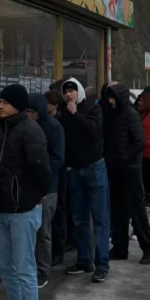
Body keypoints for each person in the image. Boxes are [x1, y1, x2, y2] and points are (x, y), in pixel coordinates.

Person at [0, 84, 51, 300]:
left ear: (16, 105)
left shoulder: (29, 130)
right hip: (1, 208)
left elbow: (42, 171)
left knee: (24, 269)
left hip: (23, 210)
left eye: (3, 102)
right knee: (6, 268)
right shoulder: (0, 128)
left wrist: (31, 197)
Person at [59, 77, 109, 282]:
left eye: (72, 90)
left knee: (99, 219)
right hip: (75, 170)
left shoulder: (92, 109)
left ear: (79, 92)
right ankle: (84, 259)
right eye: (66, 91)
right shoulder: (64, 114)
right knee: (79, 219)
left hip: (94, 168)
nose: (68, 94)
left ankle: (102, 264)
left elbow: (93, 132)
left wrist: (76, 113)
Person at [102, 83, 150, 263]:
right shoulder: (112, 114)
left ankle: (149, 248)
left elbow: (139, 142)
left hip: (130, 169)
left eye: (113, 97)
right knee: (118, 211)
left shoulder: (130, 114)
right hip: (115, 169)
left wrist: (125, 157)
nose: (110, 101)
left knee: (137, 210)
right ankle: (120, 248)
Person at [28, 93, 65, 288]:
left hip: (47, 188)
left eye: (32, 111)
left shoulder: (53, 127)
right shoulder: (25, 126)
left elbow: (58, 158)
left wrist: (44, 176)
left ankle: (43, 270)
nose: (29, 115)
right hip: (28, 186)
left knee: (43, 231)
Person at [44, 89, 69, 266]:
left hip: (58, 174)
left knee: (58, 211)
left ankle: (58, 249)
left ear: (54, 105)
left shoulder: (57, 124)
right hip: (54, 173)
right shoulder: (46, 122)